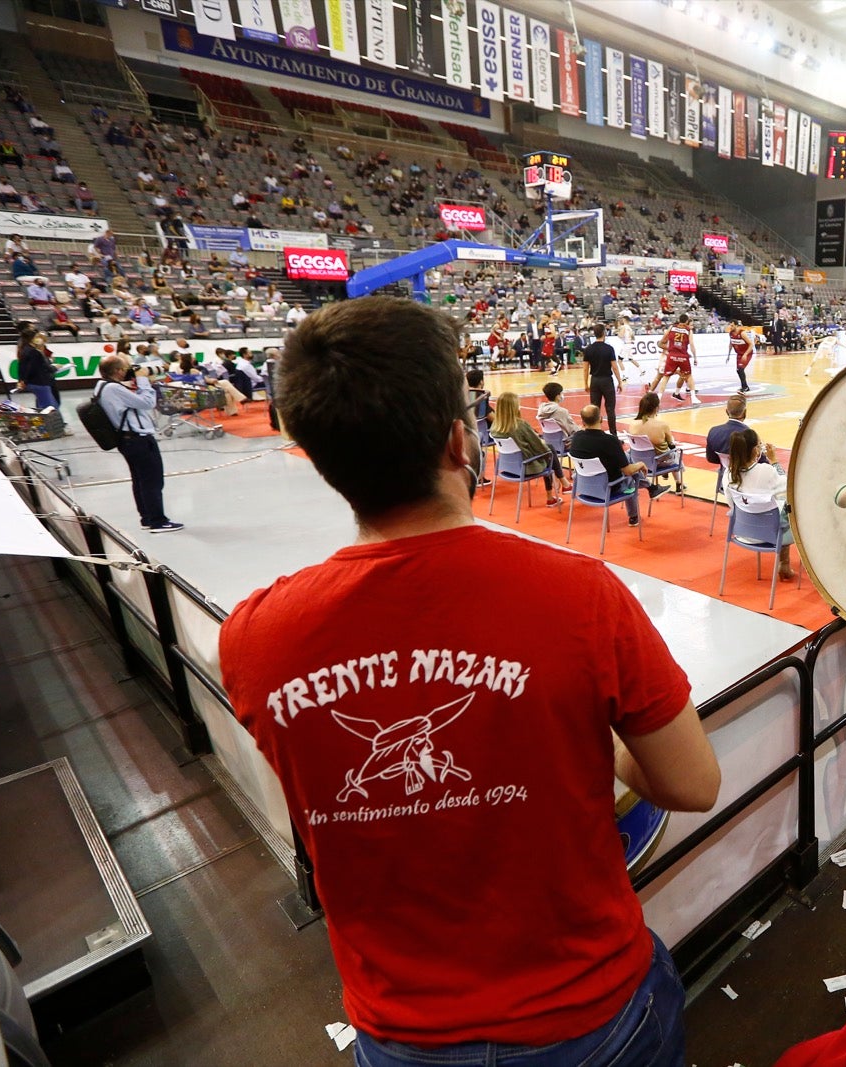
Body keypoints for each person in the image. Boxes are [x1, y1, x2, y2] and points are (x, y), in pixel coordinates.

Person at [216, 298, 718, 1064]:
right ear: (460, 440)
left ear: (318, 459)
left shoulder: (253, 637)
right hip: (588, 1010)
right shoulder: (583, 595)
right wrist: (595, 741)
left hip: (402, 1028)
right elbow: (691, 783)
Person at [95, 355, 181, 531]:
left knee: (141, 481)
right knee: (152, 482)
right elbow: (148, 402)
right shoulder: (113, 388)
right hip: (138, 439)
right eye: (127, 368)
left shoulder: (102, 386)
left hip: (128, 440)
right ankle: (158, 521)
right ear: (119, 371)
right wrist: (142, 379)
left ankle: (148, 518)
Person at [727, 427, 795, 580]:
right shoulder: (766, 471)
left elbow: (731, 504)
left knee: (777, 509)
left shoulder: (729, 474)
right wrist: (775, 461)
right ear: (755, 450)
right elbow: (787, 486)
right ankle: (785, 562)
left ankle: (784, 563)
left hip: (741, 531)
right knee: (790, 509)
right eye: (759, 445)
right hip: (769, 534)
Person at [570, 405, 650, 527]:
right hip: (608, 489)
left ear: (583, 421)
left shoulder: (576, 437)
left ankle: (650, 487)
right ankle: (634, 516)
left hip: (583, 486)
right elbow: (628, 471)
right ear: (601, 418)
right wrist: (640, 464)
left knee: (626, 457)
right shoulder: (610, 441)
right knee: (630, 477)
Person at [492, 391, 563, 506]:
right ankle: (553, 494)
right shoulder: (520, 425)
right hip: (526, 467)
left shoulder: (495, 427)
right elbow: (541, 449)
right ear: (514, 407)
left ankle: (562, 483)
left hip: (507, 467)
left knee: (546, 450)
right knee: (548, 451)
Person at [626, 392, 685, 495]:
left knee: (668, 452)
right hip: (657, 462)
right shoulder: (662, 425)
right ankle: (679, 483)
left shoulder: (632, 424)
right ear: (657, 407)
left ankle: (672, 478)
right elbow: (671, 445)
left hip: (638, 463)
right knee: (676, 453)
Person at [649, 315, 699, 403]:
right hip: (683, 356)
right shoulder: (688, 330)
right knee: (688, 376)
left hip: (671, 355)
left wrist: (671, 347)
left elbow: (662, 341)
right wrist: (695, 357)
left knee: (666, 376)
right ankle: (693, 398)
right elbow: (691, 344)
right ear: (687, 321)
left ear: (679, 320)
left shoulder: (672, 327)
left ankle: (660, 397)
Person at [582, 323, 621, 434]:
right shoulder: (609, 349)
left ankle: (594, 433)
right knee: (610, 409)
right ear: (604, 333)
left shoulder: (588, 349)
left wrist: (585, 383)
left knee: (594, 409)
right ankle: (613, 434)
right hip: (607, 380)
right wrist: (620, 381)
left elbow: (585, 369)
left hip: (595, 380)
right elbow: (614, 367)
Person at [14, 325, 60, 414]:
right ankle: (51, 426)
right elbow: (40, 368)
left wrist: (21, 380)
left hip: (33, 383)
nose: (38, 339)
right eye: (36, 337)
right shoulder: (34, 352)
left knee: (42, 405)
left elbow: (22, 367)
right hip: (40, 382)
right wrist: (55, 367)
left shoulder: (24, 350)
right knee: (50, 408)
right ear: (32, 338)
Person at [704, 395, 751, 468]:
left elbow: (711, 458)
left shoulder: (713, 432)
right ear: (745, 412)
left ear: (726, 411)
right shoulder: (749, 434)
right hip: (745, 476)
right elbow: (759, 460)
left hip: (724, 476)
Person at [729, 323, 757, 393]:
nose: (730, 327)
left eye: (732, 325)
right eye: (730, 325)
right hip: (739, 354)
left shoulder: (742, 333)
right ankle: (744, 386)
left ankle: (745, 387)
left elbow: (751, 344)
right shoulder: (731, 333)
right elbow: (731, 343)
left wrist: (745, 354)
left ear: (736, 326)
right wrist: (728, 354)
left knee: (741, 369)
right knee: (738, 370)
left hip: (747, 353)